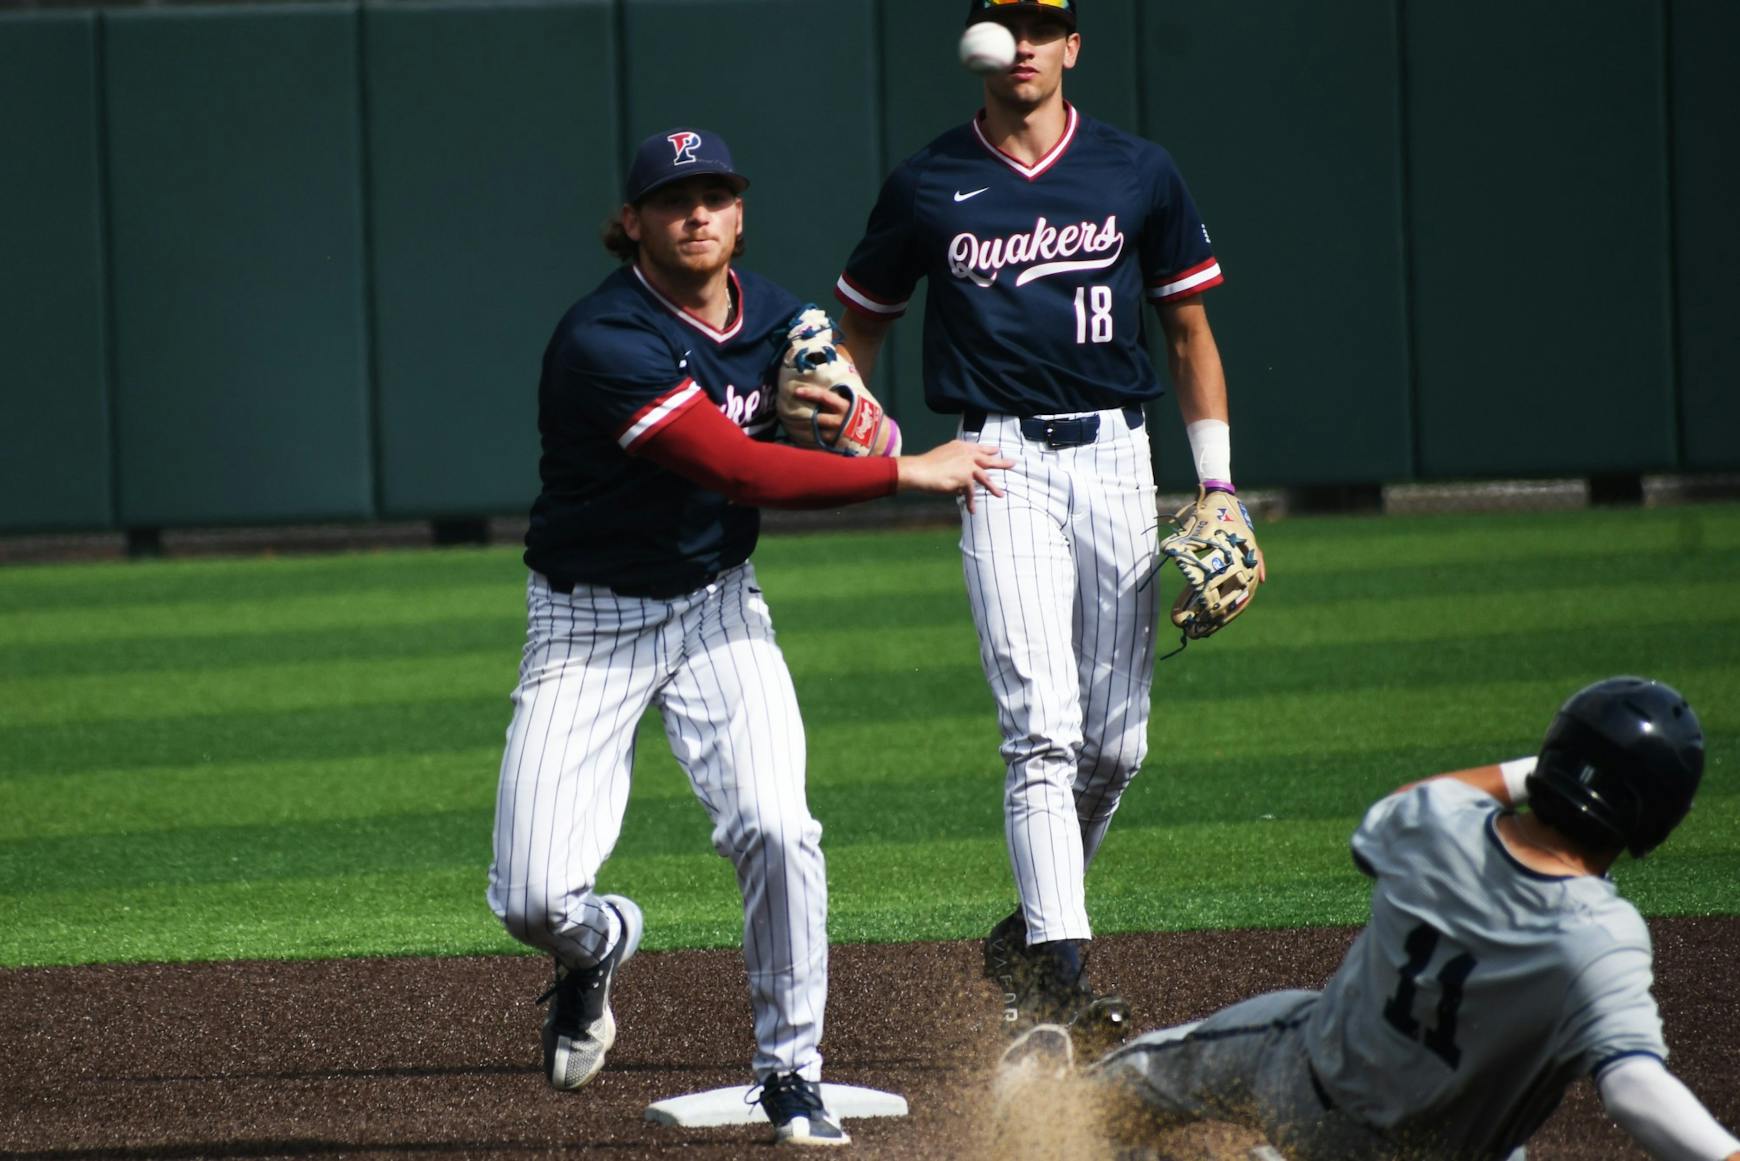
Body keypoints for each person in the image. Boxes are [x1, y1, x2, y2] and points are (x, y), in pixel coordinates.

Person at [485, 126, 1009, 1147]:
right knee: (533, 898)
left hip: (720, 607)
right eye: (675, 198)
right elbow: (738, 471)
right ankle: (597, 947)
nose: (698, 212)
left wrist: (864, 421)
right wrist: (907, 470)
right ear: (632, 222)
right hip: (590, 623)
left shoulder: (778, 316)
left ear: (739, 212)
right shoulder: (607, 339)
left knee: (778, 826)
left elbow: (848, 413)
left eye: (716, 193)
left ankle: (791, 1071)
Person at [832, 0, 1263, 1041]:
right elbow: (861, 327)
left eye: (1040, 25)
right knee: (1042, 732)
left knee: (1115, 750)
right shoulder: (929, 181)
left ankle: (1028, 932)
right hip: (998, 462)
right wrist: (871, 435)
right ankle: (1063, 977)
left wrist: (1218, 488)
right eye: (1001, 22)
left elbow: (1190, 330)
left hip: (1120, 455)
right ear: (977, 44)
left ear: (1072, 46)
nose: (1019, 42)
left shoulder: (1137, 171)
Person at [1000, 676, 1740, 1161]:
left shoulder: (1439, 821)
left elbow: (1411, 805)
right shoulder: (1601, 938)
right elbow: (1634, 1086)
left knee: (1166, 1069)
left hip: (1306, 1092)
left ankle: (1051, 1123)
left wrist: (1545, 767)